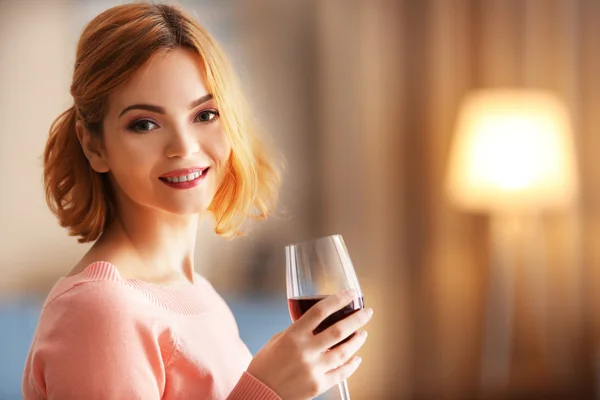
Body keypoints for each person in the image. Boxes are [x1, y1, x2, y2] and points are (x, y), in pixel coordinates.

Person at [21, 3, 373, 400]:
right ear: (94, 145)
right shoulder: (100, 311)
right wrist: (269, 391)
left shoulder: (197, 291)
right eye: (145, 124)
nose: (184, 148)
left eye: (205, 114)